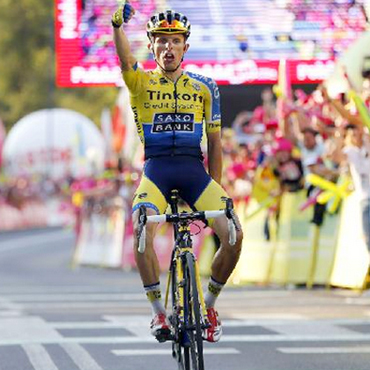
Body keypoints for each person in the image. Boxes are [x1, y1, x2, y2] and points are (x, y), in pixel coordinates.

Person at [111, 3, 243, 343]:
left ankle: (210, 305)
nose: (168, 47)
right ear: (152, 45)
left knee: (233, 233)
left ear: (185, 46)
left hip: (193, 171)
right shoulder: (140, 82)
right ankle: (158, 313)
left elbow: (215, 144)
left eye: (175, 41)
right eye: (161, 41)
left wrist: (217, 190)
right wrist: (116, 28)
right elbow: (126, 61)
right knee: (142, 230)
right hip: (156, 171)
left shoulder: (205, 87)